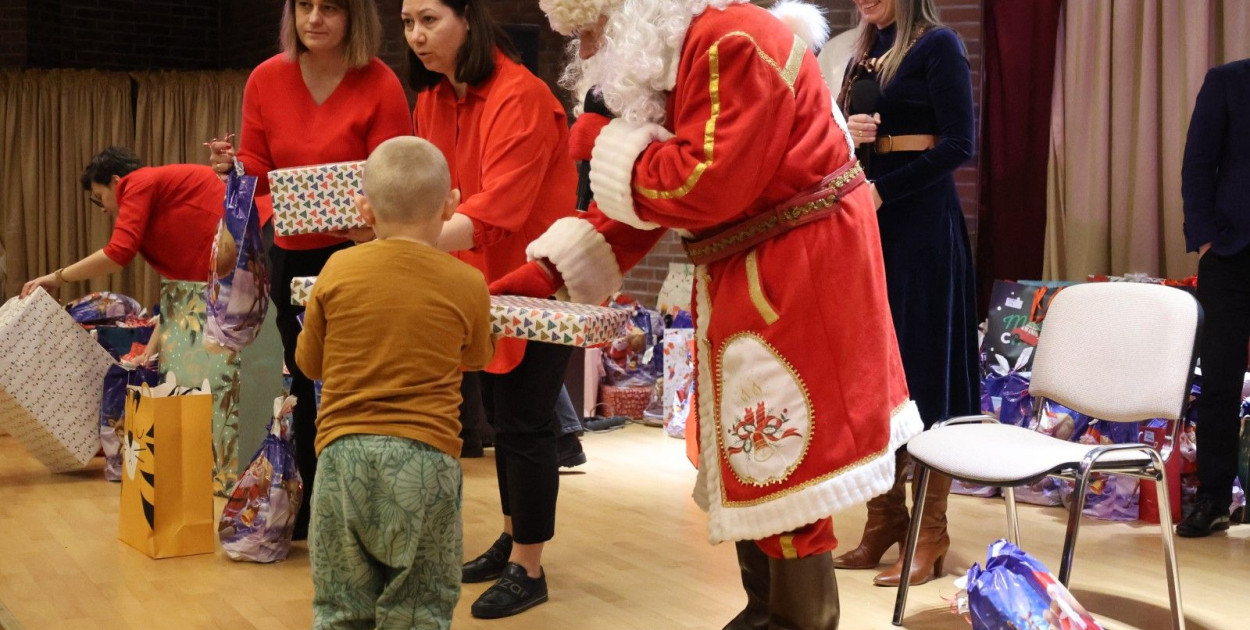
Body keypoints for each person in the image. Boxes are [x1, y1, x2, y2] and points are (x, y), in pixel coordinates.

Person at [494, 0, 923, 627]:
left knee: (786, 463)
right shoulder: (680, 53)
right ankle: (763, 611)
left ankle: (803, 620)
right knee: (754, 453)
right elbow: (640, 208)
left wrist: (609, 147)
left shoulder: (732, 42)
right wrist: (546, 274)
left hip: (800, 267)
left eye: (591, 31)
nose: (586, 51)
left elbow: (703, 183)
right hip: (756, 263)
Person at [401, 0, 580, 618]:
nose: (417, 35)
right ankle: (513, 537)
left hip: (537, 283)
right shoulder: (432, 99)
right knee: (502, 419)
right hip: (474, 282)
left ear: (468, 20)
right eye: (408, 23)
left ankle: (530, 567)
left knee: (528, 423)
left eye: (429, 19)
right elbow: (430, 192)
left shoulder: (521, 95)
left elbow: (496, 206)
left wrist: (403, 234)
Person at [208, 0, 412, 540]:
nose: (314, 19)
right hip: (291, 251)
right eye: (305, 6)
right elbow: (259, 170)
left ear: (356, 17)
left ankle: (361, 507)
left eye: (330, 8)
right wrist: (239, 170)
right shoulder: (265, 79)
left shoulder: (382, 82)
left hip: (363, 254)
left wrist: (363, 225)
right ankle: (309, 501)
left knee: (358, 378)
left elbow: (395, 176)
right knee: (302, 374)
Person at [296, 136, 495, 629]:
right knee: (419, 611)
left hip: (343, 457)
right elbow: (478, 357)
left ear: (363, 207)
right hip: (425, 461)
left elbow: (310, 365)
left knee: (341, 609)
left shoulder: (336, 268)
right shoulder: (467, 282)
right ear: (451, 205)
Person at [831, 0, 978, 587]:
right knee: (879, 373)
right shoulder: (863, 51)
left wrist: (885, 190)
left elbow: (959, 144)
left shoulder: (938, 45)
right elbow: (846, 136)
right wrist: (855, 132)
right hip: (874, 224)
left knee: (924, 370)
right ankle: (885, 519)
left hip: (921, 226)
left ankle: (931, 530)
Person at [21, 147, 242, 494]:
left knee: (218, 390)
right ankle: (207, 475)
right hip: (218, 286)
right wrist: (147, 352)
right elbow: (177, 304)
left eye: (100, 197)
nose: (105, 208)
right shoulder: (160, 213)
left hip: (236, 275)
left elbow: (117, 252)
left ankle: (223, 476)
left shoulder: (138, 183)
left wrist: (57, 276)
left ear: (115, 181)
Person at [1177, 57, 1250, 538]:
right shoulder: (1228, 81)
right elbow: (1198, 164)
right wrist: (1205, 240)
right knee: (1220, 383)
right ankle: (1214, 498)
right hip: (1231, 255)